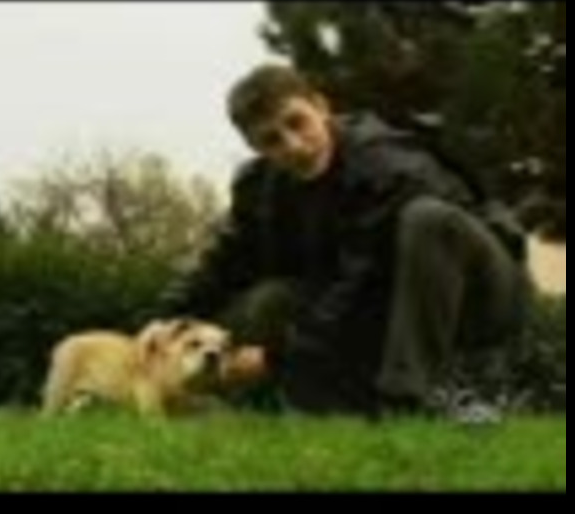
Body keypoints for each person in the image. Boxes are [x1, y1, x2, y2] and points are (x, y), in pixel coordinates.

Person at [153, 63, 532, 419]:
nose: (294, 145)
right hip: (379, 310)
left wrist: (275, 357)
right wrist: (165, 320)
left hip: (481, 295)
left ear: (321, 107)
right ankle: (317, 406)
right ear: (257, 149)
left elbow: (361, 287)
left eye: (297, 122)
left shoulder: (386, 166)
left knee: (426, 219)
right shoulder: (259, 189)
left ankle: (410, 401)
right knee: (273, 300)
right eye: (272, 140)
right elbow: (226, 260)